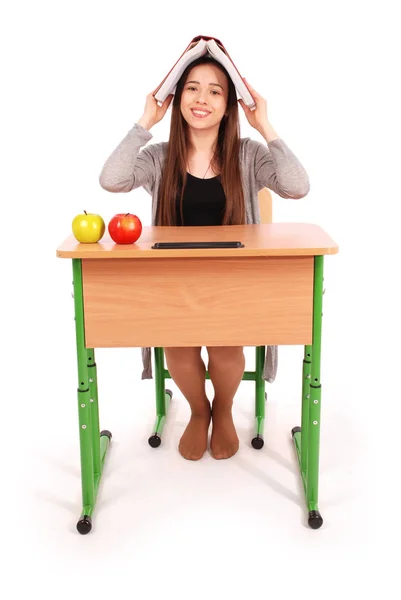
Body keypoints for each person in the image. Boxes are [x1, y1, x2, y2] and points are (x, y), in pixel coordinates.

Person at [99, 55, 310, 462]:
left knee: (226, 348)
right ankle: (199, 412)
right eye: (192, 87)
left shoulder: (248, 154)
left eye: (216, 91)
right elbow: (112, 179)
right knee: (178, 348)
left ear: (229, 104)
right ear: (177, 97)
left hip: (235, 283)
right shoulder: (160, 156)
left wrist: (263, 124)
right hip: (174, 283)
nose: (202, 99)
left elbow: (296, 186)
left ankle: (225, 410)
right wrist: (146, 121)